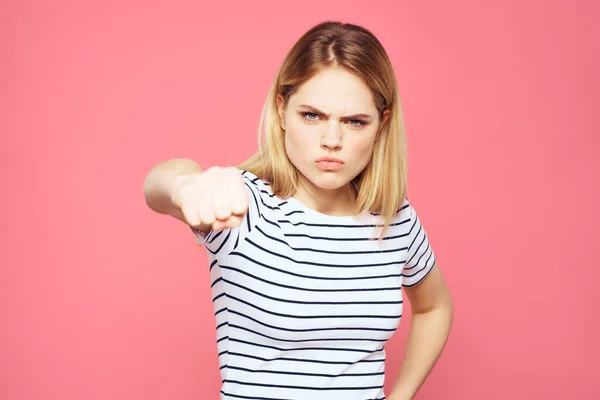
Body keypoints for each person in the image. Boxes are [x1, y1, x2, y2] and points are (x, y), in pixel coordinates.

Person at [143, 20, 453, 400]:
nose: (332, 140)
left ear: (381, 125)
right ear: (282, 109)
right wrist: (187, 183)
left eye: (355, 122)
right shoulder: (245, 205)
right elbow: (157, 185)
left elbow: (434, 307)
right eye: (312, 115)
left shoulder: (394, 217)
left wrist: (401, 395)